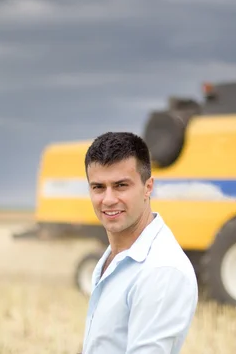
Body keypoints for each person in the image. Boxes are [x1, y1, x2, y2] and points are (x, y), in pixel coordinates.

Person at [80, 131, 198, 354]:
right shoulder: (117, 256)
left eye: (121, 185)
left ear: (148, 187)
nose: (108, 199)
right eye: (98, 187)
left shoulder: (161, 270)